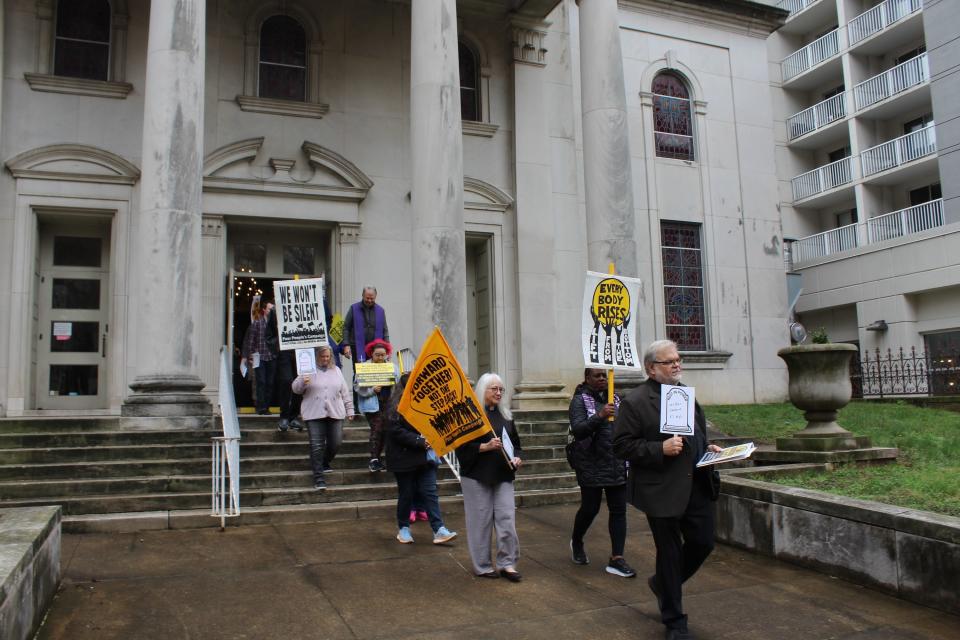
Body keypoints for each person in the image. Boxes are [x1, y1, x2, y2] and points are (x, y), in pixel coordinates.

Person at [612, 340, 722, 640]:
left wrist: (708, 448)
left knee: (703, 542)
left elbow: (697, 432)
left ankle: (662, 583)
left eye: (678, 359)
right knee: (670, 554)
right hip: (661, 489)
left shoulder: (685, 394)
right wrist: (659, 448)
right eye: (669, 361)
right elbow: (621, 445)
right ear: (651, 368)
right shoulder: (635, 402)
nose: (677, 364)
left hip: (696, 484)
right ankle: (675, 621)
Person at [568, 368, 636, 578]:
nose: (602, 379)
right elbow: (578, 430)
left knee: (618, 511)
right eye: (597, 376)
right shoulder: (579, 401)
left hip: (616, 463)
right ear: (587, 378)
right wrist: (600, 415)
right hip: (591, 464)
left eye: (604, 376)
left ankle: (617, 558)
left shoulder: (616, 399)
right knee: (590, 508)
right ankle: (577, 540)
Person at [456, 373, 523, 582]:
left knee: (507, 521)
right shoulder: (469, 416)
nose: (498, 393)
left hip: (503, 474)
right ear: (483, 390)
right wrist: (484, 447)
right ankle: (483, 566)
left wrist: (518, 458)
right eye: (494, 388)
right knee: (480, 523)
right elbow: (461, 448)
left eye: (501, 389)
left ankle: (507, 563)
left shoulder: (505, 415)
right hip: (476, 476)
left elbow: (516, 444)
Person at [385, 373, 457, 545]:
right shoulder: (395, 406)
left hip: (425, 458)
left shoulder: (426, 403)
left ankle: (439, 529)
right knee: (407, 494)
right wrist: (420, 441)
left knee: (430, 493)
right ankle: (403, 528)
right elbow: (395, 431)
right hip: (404, 458)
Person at [291, 344, 354, 490]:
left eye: (328, 356)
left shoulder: (336, 370)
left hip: (335, 412)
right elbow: (296, 389)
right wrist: (303, 381)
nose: (325, 359)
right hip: (314, 413)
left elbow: (344, 391)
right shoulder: (307, 370)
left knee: (336, 442)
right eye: (322, 356)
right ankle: (319, 478)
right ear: (316, 357)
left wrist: (350, 409)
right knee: (316, 445)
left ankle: (323, 462)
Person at [355, 338, 397, 472]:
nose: (380, 357)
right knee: (377, 428)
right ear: (371, 354)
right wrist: (371, 390)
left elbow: (399, 382)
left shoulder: (392, 366)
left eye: (382, 355)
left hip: (388, 404)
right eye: (377, 354)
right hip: (372, 404)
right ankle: (373, 459)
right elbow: (357, 387)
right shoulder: (364, 367)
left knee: (384, 431)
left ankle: (377, 459)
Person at [242, 297, 277, 415]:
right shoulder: (257, 323)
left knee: (270, 382)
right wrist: (250, 355)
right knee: (261, 381)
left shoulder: (275, 324)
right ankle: (261, 406)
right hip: (259, 356)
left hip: (272, 356)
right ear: (264, 310)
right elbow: (251, 340)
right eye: (269, 309)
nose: (271, 311)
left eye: (273, 309)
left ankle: (266, 406)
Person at [341, 286, 389, 362]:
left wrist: (387, 347)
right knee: (359, 372)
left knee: (376, 372)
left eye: (372, 298)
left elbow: (385, 330)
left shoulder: (381, 311)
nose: (369, 300)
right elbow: (346, 328)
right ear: (362, 296)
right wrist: (346, 345)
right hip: (357, 347)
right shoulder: (354, 308)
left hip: (376, 349)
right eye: (367, 298)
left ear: (375, 296)